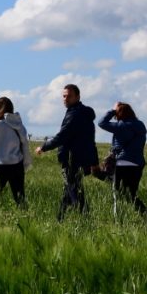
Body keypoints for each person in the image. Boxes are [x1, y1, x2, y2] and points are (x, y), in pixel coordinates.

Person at [35, 84, 99, 220]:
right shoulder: (84, 114)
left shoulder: (74, 114)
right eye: (64, 96)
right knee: (70, 190)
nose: (65, 99)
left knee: (73, 191)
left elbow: (62, 136)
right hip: (82, 159)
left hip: (72, 159)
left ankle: (85, 219)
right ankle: (60, 219)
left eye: (69, 96)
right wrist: (94, 162)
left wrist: (43, 147)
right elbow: (91, 141)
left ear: (78, 97)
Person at [98, 101, 147, 218]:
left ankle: (118, 220)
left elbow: (101, 123)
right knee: (132, 194)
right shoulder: (140, 125)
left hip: (122, 163)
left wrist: (112, 111)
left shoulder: (121, 126)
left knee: (117, 193)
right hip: (138, 164)